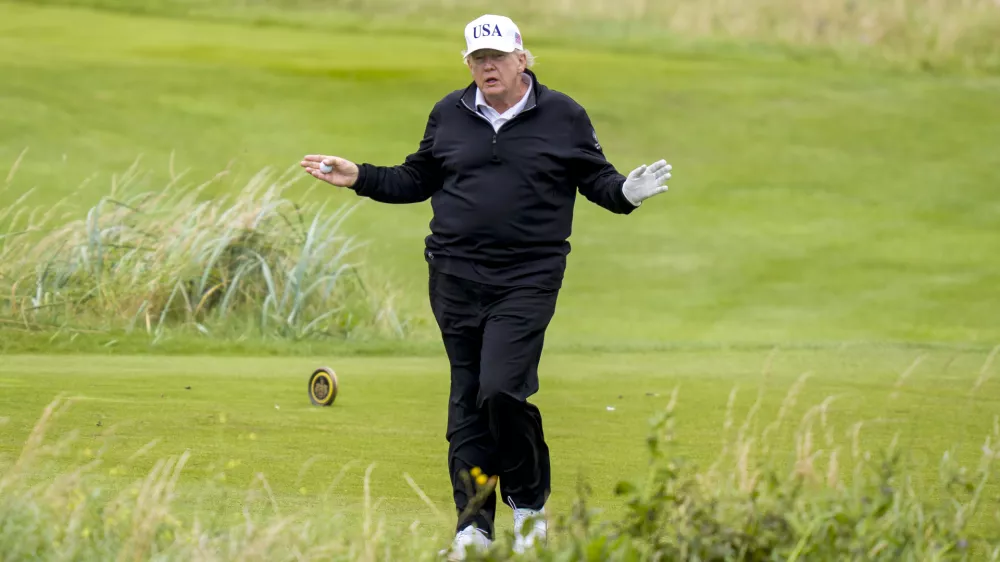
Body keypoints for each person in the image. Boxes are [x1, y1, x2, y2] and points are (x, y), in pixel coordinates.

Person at [299, 13, 672, 559]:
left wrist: (627, 192)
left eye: (497, 56)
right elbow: (417, 178)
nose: (487, 66)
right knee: (468, 397)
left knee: (502, 389)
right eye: (477, 58)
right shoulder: (450, 112)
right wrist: (360, 176)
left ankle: (527, 507)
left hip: (528, 276)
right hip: (453, 274)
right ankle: (473, 524)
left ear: (523, 57)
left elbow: (597, 180)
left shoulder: (563, 115)